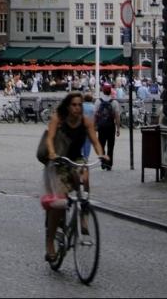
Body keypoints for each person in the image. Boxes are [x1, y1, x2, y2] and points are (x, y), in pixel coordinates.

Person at [43, 91, 107, 262]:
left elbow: (94, 140)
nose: (77, 108)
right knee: (60, 204)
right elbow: (50, 138)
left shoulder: (86, 121)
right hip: (59, 159)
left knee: (85, 178)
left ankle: (84, 215)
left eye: (79, 105)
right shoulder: (59, 118)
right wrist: (51, 152)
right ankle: (50, 244)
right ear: (67, 105)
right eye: (74, 105)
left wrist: (102, 154)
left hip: (76, 159)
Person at [93, 82, 120, 169]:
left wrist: (94, 126)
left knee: (101, 145)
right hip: (111, 126)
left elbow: (95, 115)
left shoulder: (98, 101)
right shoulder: (114, 102)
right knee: (110, 146)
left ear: (103, 91)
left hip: (101, 127)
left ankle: (103, 162)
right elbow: (117, 116)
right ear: (110, 91)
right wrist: (118, 129)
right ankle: (109, 164)